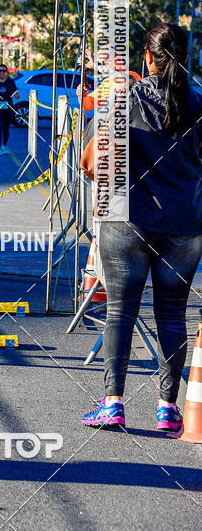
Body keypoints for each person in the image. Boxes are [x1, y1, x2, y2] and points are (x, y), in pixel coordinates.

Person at [81, 23, 202, 432]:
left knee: (120, 312)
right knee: (172, 314)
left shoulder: (125, 101)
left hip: (128, 221)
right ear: (186, 57)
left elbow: (89, 164)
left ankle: (113, 403)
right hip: (184, 225)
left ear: (146, 58)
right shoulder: (199, 103)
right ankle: (168, 407)